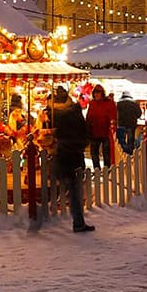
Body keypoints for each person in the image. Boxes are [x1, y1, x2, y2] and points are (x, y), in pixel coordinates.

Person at [49, 86, 94, 232]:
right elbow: (84, 135)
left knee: (65, 188)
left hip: (62, 156)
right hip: (74, 157)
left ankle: (49, 213)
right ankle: (78, 222)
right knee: (75, 191)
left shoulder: (58, 117)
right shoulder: (75, 117)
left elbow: (58, 135)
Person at [85, 85, 117, 170]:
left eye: (98, 92)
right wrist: (87, 128)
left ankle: (107, 170)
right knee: (94, 153)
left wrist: (112, 127)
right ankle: (97, 170)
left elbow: (113, 116)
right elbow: (89, 117)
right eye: (95, 93)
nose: (96, 95)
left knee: (106, 153)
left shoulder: (109, 103)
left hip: (106, 132)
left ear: (102, 93)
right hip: (94, 131)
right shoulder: (92, 103)